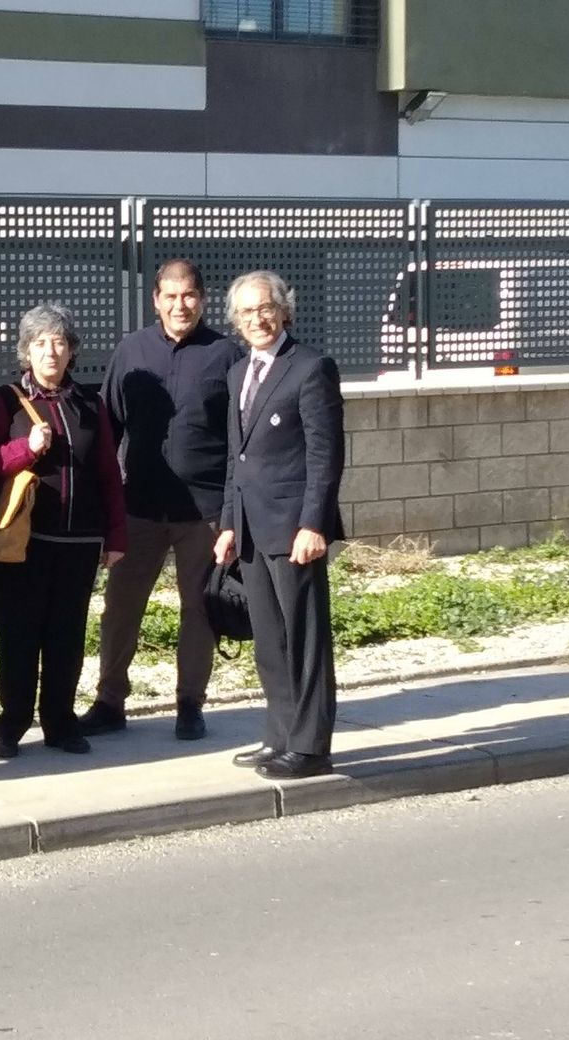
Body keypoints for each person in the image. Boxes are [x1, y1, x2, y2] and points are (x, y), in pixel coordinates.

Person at [80, 259, 243, 742]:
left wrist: (232, 514)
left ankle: (190, 704)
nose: (180, 305)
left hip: (204, 512)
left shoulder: (226, 355)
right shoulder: (131, 351)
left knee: (199, 609)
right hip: (140, 507)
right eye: (170, 296)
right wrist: (101, 506)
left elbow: (241, 441)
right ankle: (110, 701)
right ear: (155, 300)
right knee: (120, 607)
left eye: (188, 295)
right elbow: (108, 431)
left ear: (203, 299)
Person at [0, 303, 127, 759]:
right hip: (23, 544)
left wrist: (115, 536)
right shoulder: (5, 401)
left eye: (59, 342)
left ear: (71, 350)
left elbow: (108, 474)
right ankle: (11, 725)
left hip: (79, 544)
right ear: (27, 352)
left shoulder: (89, 404)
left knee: (67, 639)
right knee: (18, 638)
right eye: (40, 343)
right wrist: (25, 449)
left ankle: (60, 724)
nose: (51, 351)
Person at [214, 271, 345, 781]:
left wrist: (314, 524)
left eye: (265, 308)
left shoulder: (310, 368)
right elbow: (237, 458)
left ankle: (310, 747)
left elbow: (325, 456)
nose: (258, 319)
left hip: (294, 532)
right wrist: (229, 523)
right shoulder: (237, 373)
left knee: (305, 639)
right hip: (250, 529)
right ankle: (281, 736)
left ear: (284, 310)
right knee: (270, 641)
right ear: (236, 321)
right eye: (247, 312)